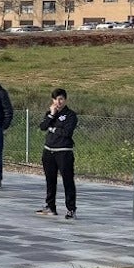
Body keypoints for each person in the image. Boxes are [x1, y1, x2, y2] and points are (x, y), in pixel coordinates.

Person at [37, 88, 78, 219]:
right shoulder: (50, 112)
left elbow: (66, 133)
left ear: (65, 100)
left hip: (63, 152)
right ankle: (50, 206)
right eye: (55, 99)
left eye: (60, 99)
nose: (58, 102)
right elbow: (43, 127)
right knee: (50, 180)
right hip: (49, 150)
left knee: (68, 181)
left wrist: (52, 128)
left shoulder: (71, 115)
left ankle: (71, 209)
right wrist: (51, 115)